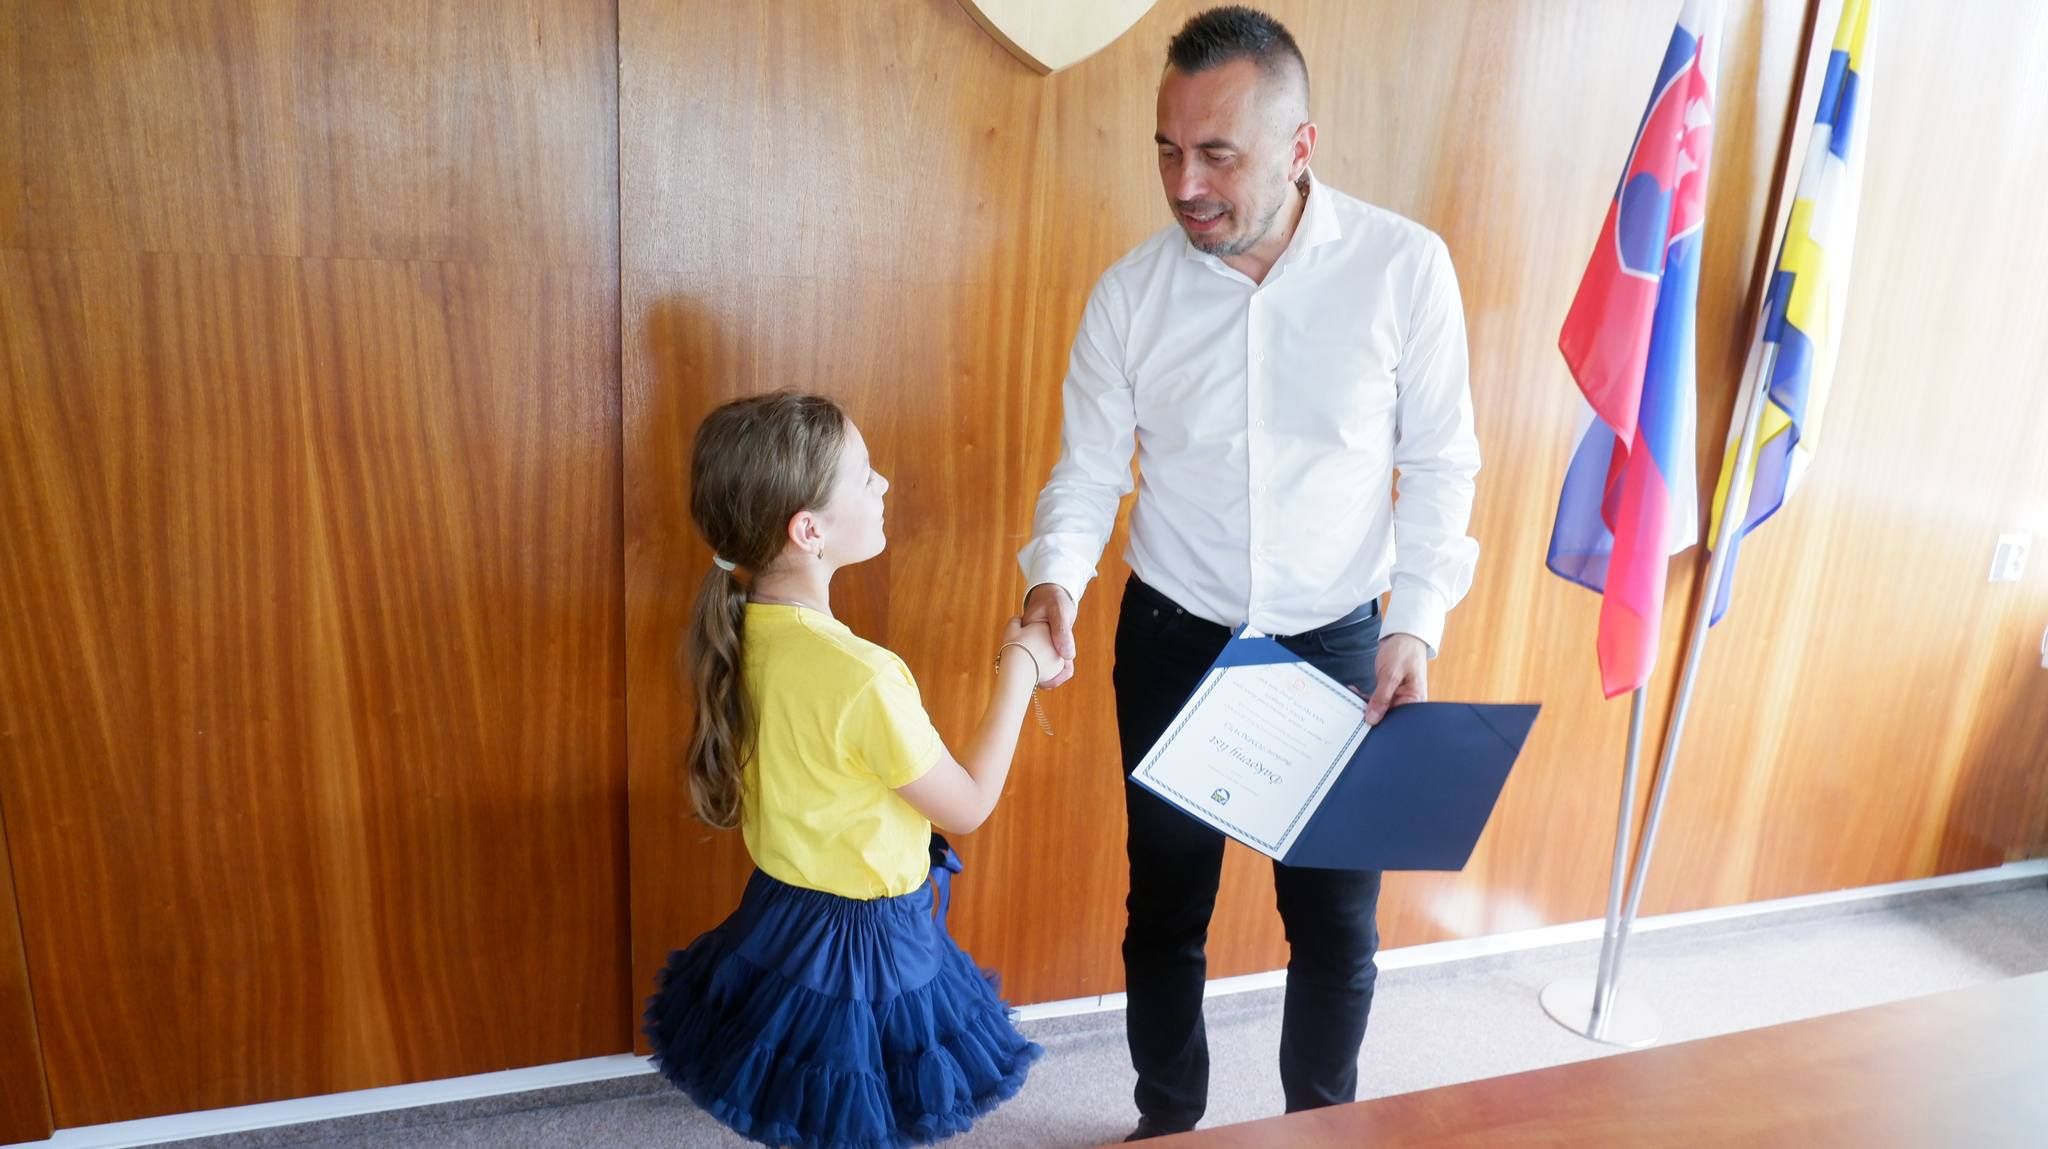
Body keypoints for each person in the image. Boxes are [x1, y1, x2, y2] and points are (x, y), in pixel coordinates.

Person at [1016, 6, 1482, 1139]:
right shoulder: (1130, 294)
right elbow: (1088, 472)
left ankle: (1318, 1127)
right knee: (1165, 909)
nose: (1185, 186)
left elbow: (1440, 462)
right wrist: (1054, 580)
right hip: (1172, 635)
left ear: (1298, 147)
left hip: (1339, 643)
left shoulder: (1403, 268)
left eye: (1217, 155)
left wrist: (1414, 622)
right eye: (1168, 151)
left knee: (1336, 927)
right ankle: (1166, 1123)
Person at [647, 391, 1057, 1149]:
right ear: (808, 530)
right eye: (866, 476)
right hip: (863, 946)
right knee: (856, 1107)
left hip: (782, 919)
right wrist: (1020, 668)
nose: (884, 484)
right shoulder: (863, 675)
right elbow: (966, 805)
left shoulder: (745, 630)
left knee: (816, 1101)